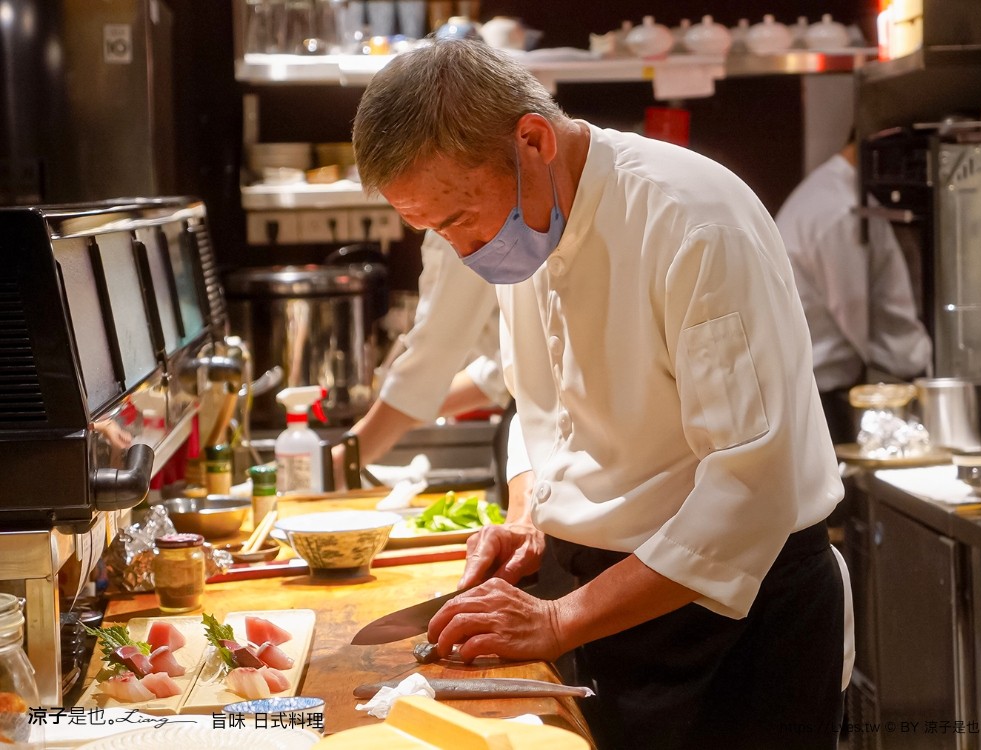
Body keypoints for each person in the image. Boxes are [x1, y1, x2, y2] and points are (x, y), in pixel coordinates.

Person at [352, 40, 853, 749]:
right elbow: (539, 405)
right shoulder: (527, 218)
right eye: (437, 231)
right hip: (600, 602)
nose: (464, 251)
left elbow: (750, 489)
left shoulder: (691, 220)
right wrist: (530, 513)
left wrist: (559, 620)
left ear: (532, 140)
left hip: (730, 619)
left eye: (461, 219)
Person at [776, 140, 932, 444]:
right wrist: (921, 366)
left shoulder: (825, 190)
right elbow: (856, 315)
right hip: (818, 399)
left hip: (810, 392)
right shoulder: (839, 208)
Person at [330, 229, 510, 489]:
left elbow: (433, 357)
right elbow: (502, 372)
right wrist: (396, 415)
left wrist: (345, 457)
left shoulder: (457, 221)